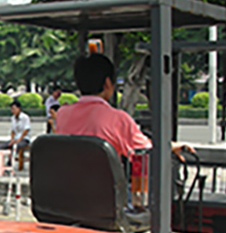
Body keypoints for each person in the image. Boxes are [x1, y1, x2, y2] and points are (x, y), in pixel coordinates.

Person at [54, 53, 192, 160]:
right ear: (108, 83)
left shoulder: (62, 114)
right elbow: (146, 150)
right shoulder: (117, 118)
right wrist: (171, 146)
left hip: (66, 191)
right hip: (104, 193)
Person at [0, 100, 32, 170]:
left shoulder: (25, 117)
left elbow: (26, 130)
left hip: (24, 139)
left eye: (14, 109)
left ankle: (10, 163)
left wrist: (19, 139)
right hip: (15, 138)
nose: (13, 111)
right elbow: (12, 130)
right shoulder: (13, 118)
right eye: (12, 109)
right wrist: (12, 139)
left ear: (19, 108)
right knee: (1, 146)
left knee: (16, 147)